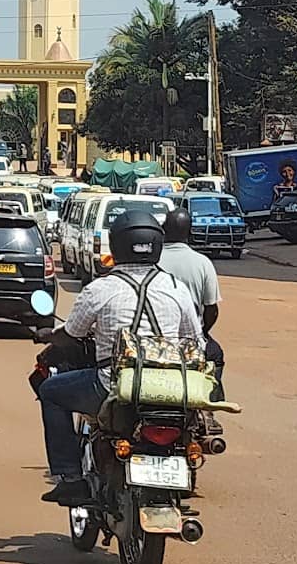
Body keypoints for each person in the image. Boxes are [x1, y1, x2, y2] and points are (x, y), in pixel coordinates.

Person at [37, 208, 205, 506]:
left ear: (116, 245)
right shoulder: (177, 289)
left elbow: (72, 335)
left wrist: (49, 336)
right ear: (157, 244)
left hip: (110, 385)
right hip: (170, 389)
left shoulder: (101, 288)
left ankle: (70, 477)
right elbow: (196, 342)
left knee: (50, 391)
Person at [159, 206, 225, 397]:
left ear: (163, 230)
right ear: (190, 232)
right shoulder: (202, 262)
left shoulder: (153, 261)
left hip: (154, 339)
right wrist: (202, 332)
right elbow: (211, 309)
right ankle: (210, 403)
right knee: (216, 356)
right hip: (191, 340)